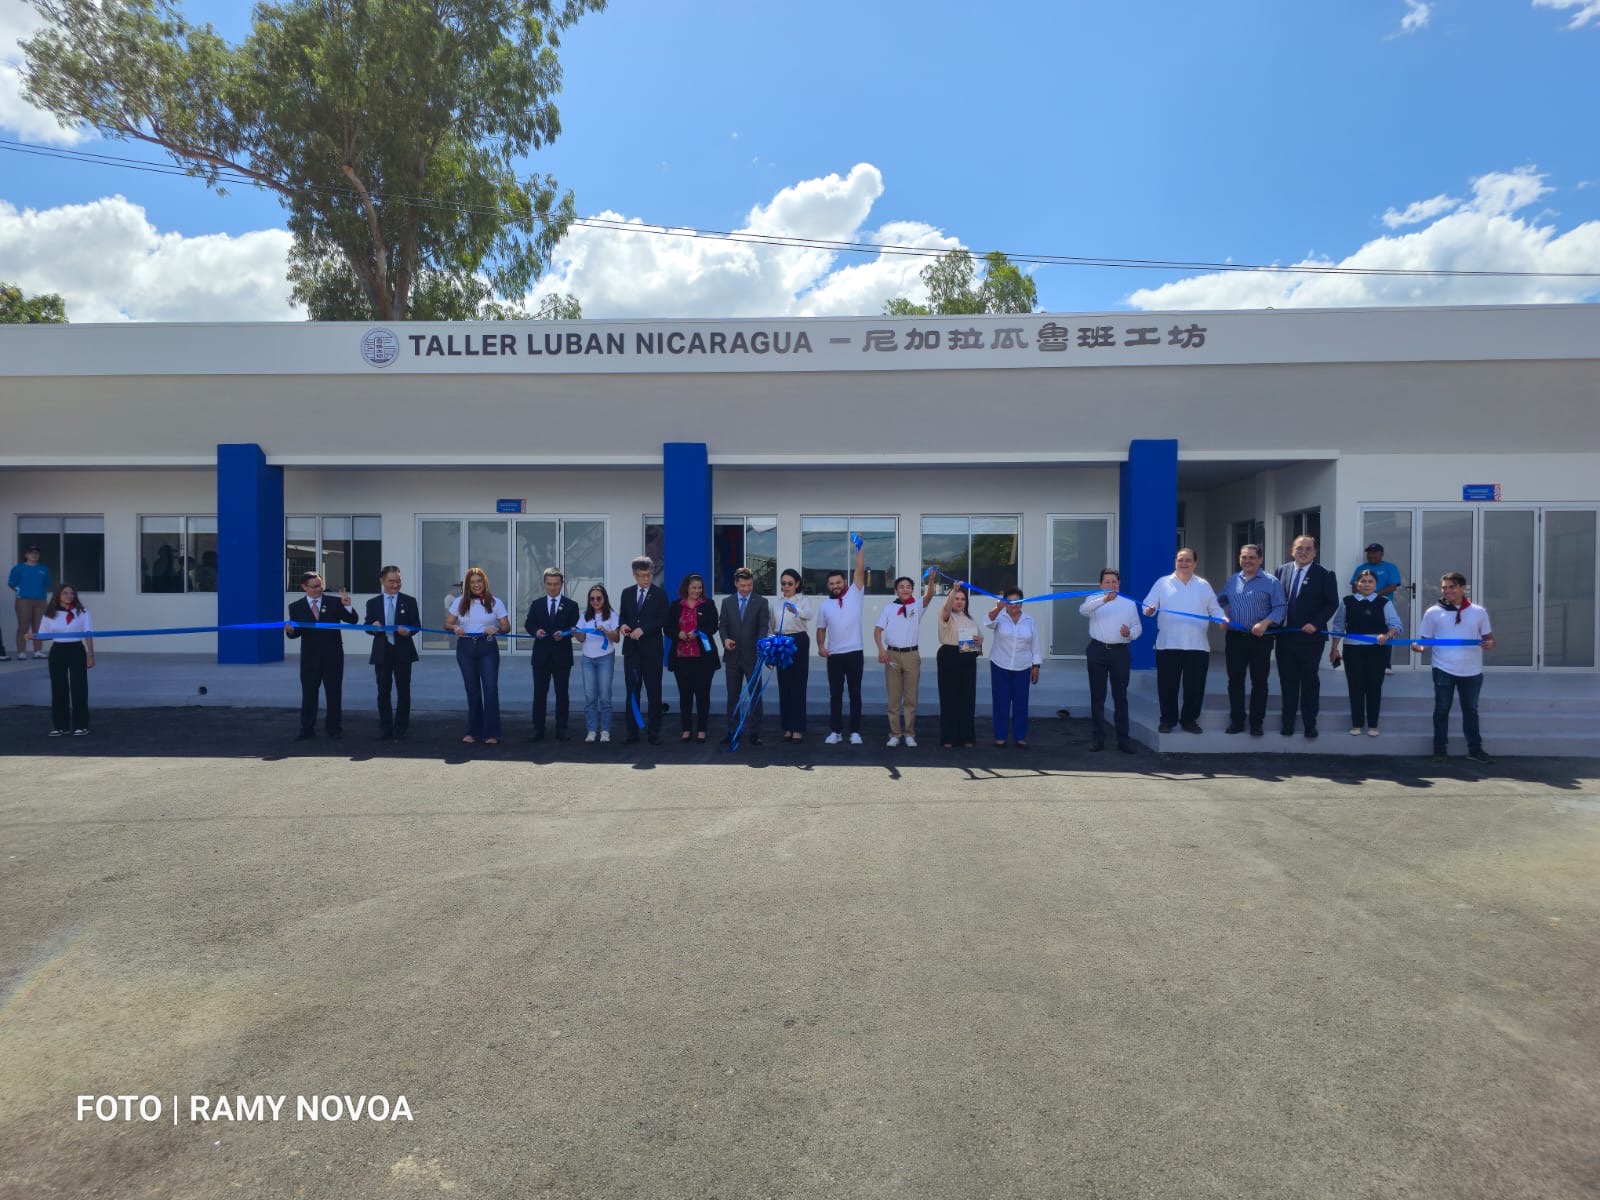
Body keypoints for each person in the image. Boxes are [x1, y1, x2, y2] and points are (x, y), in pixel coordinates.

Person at [1414, 572, 1496, 765]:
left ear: (1463, 588)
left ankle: (1475, 750)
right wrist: (1419, 647)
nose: (1447, 591)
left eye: (1451, 587)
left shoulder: (1478, 612)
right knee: (1441, 710)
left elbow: (1489, 638)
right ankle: (1439, 750)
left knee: (1471, 710)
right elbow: (1423, 640)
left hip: (1471, 671)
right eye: (1444, 587)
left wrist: (1490, 644)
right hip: (1443, 668)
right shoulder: (1433, 612)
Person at [1142, 548, 1225, 733]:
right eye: (1180, 559)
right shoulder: (1162, 583)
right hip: (1168, 644)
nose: (1184, 563)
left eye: (1188, 560)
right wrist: (1149, 609)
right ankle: (1168, 720)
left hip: (1197, 645)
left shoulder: (1203, 585)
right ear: (1175, 562)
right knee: (1167, 686)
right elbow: (1148, 605)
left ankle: (1189, 720)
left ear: (1195, 563)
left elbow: (1215, 608)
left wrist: (1222, 618)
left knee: (1195, 687)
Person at [1273, 535, 1340, 739]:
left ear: (1315, 552)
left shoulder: (1325, 574)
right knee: (1288, 681)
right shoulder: (1281, 571)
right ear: (1292, 550)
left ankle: (1310, 724)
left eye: (1308, 549)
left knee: (1309, 681)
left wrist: (1316, 623)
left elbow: (1332, 603)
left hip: (1310, 639)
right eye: (1299, 548)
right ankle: (1288, 723)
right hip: (1284, 638)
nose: (1303, 552)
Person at [1217, 543, 1286, 737]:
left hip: (1260, 639)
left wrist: (1265, 623)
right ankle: (1237, 721)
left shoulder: (1271, 582)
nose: (1247, 561)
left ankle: (1256, 723)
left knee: (1259, 681)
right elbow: (1218, 601)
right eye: (1244, 557)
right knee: (1235, 681)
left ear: (1260, 560)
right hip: (1235, 639)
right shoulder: (1232, 581)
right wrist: (1221, 617)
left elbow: (1280, 607)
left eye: (1252, 558)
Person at [1329, 567, 1404, 737]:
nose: (1367, 584)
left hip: (1377, 651)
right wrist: (1334, 649)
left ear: (1376, 584)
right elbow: (1338, 626)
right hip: (1352, 650)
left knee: (1374, 686)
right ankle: (1356, 724)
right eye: (1363, 581)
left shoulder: (1384, 602)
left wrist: (1387, 635)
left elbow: (1396, 625)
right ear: (1357, 584)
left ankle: (1373, 725)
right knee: (1355, 686)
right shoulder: (1347, 601)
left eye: (1371, 581)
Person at [285, 571, 357, 740]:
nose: (318, 589)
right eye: (314, 586)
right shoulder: (296, 607)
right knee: (309, 694)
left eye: (320, 585)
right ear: (304, 587)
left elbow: (352, 620)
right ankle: (307, 729)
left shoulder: (334, 602)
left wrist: (347, 605)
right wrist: (290, 631)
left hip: (333, 657)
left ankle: (334, 729)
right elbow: (296, 632)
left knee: (334, 694)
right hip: (310, 658)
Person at [445, 566, 510, 746]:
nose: (476, 585)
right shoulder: (459, 602)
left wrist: (497, 628)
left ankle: (492, 733)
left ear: (485, 582)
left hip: (487, 646)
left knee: (490, 689)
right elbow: (447, 623)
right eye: (472, 582)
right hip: (465, 647)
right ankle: (473, 731)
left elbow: (506, 626)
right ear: (467, 585)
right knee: (472, 690)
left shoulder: (495, 602)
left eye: (479, 581)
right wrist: (455, 627)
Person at [1079, 568, 1141, 753]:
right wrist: (1104, 599)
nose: (1111, 585)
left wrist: (1130, 633)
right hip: (1097, 650)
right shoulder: (1093, 599)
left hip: (1120, 652)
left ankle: (1123, 740)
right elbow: (1083, 610)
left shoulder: (1128, 603)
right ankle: (1098, 739)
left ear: (1119, 584)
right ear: (1101, 584)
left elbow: (1138, 627)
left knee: (1120, 697)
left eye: (1114, 582)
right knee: (1097, 697)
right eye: (1107, 582)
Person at [873, 572, 936, 747]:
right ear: (896, 590)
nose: (905, 589)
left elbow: (929, 594)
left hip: (911, 655)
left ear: (912, 590)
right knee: (893, 697)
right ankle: (894, 733)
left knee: (910, 697)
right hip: (892, 654)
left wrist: (931, 580)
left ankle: (909, 733)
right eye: (901, 587)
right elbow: (878, 630)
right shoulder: (888, 608)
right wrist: (880, 650)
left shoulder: (917, 605)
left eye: (908, 587)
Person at [814, 542, 868, 746]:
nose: (835, 586)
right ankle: (835, 731)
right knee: (835, 695)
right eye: (832, 584)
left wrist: (859, 546)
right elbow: (821, 628)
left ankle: (855, 731)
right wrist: (821, 646)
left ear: (845, 582)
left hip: (855, 652)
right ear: (828, 586)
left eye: (838, 582)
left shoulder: (856, 593)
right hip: (834, 655)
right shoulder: (825, 605)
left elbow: (860, 568)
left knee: (855, 694)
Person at [29, 582, 93, 736]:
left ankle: (81, 725)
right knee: (59, 688)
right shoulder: (50, 614)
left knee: (79, 688)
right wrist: (33, 636)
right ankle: (61, 726)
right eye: (65, 593)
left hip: (77, 650)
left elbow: (88, 634)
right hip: (58, 651)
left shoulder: (82, 612)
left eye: (71, 593)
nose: (69, 596)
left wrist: (91, 655)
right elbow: (45, 635)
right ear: (58, 596)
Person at [364, 565, 419, 742]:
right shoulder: (372, 603)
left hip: (403, 651)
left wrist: (408, 631)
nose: (395, 585)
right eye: (391, 581)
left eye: (398, 581)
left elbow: (416, 625)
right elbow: (367, 626)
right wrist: (374, 628)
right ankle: (385, 727)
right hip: (382, 652)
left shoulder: (409, 601)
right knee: (383, 691)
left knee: (404, 690)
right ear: (382, 581)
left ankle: (402, 727)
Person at [525, 566, 579, 742]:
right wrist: (536, 631)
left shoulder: (571, 605)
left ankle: (561, 729)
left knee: (562, 694)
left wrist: (563, 634)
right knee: (539, 694)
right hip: (541, 657)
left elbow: (574, 628)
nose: (552, 587)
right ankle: (538, 729)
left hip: (562, 656)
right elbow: (529, 624)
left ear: (562, 584)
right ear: (544, 584)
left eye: (556, 584)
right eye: (549, 584)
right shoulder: (537, 604)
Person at [619, 555, 668, 745]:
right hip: (632, 651)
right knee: (632, 692)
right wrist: (623, 625)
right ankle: (632, 733)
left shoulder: (660, 594)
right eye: (641, 576)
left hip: (652, 651)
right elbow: (623, 615)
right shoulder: (627, 593)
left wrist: (644, 629)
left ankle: (654, 733)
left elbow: (663, 619)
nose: (645, 579)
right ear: (634, 575)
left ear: (652, 573)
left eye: (647, 575)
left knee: (654, 692)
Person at [719, 566, 771, 745]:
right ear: (735, 584)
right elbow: (723, 626)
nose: (746, 589)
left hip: (753, 656)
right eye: (742, 585)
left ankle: (755, 733)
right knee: (732, 696)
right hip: (732, 656)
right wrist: (725, 640)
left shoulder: (761, 602)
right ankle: (732, 731)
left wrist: (761, 643)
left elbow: (763, 626)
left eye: (749, 585)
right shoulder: (727, 602)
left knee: (755, 695)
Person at [667, 573, 721, 741]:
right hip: (681, 657)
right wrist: (679, 634)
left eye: (700, 588)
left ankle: (702, 729)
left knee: (703, 695)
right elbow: (668, 628)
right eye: (694, 588)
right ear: (686, 588)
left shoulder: (708, 604)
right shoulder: (676, 605)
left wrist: (698, 632)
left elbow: (713, 626)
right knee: (685, 695)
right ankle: (686, 729)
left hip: (703, 658)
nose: (697, 591)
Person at [986, 587, 1042, 748]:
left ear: (1022, 603)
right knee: (1001, 702)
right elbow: (987, 622)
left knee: (1021, 703)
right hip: (1000, 665)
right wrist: (998, 607)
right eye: (1009, 601)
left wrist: (1036, 665)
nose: (1013, 605)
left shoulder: (1029, 620)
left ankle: (1020, 736)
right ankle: (1000, 736)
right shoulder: (1000, 616)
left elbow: (1035, 645)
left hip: (1022, 667)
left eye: (1016, 601)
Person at [936, 584, 983, 748]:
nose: (959, 601)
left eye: (963, 599)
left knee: (967, 699)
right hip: (949, 655)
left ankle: (967, 737)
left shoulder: (970, 619)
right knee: (949, 697)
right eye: (956, 598)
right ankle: (948, 737)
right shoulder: (946, 615)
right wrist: (954, 590)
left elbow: (978, 646)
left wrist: (979, 644)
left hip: (968, 657)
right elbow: (946, 607)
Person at [574, 584, 621, 743]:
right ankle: (592, 730)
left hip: (605, 658)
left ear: (604, 599)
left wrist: (605, 631)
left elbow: (616, 638)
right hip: (587, 658)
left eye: (598, 598)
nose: (595, 601)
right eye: (592, 598)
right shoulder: (584, 616)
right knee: (590, 696)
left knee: (605, 696)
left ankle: (605, 730)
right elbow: (581, 639)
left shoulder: (612, 615)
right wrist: (575, 632)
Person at [772, 569, 813, 742]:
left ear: (797, 584)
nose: (786, 586)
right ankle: (787, 727)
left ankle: (798, 728)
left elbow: (809, 616)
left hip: (798, 640)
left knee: (798, 684)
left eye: (790, 583)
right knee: (784, 684)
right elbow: (770, 625)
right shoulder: (775, 602)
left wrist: (796, 609)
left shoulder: (803, 600)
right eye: (783, 583)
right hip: (781, 641)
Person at [1354, 543, 1403, 674]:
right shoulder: (1361, 568)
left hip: (1383, 606)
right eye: (1369, 552)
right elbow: (1354, 586)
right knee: (1365, 632)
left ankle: (1386, 664)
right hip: (1363, 606)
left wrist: (1374, 596)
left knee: (1386, 633)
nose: (1371, 555)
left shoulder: (1389, 567)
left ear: (1381, 554)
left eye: (1374, 552)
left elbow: (1393, 586)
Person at [9, 543, 53, 661]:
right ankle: (21, 652)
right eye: (31, 553)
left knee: (39, 627)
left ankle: (37, 651)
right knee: (23, 626)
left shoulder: (44, 569)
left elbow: (48, 584)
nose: (34, 555)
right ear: (26, 555)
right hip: (23, 600)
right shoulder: (18, 568)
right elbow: (11, 583)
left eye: (36, 553)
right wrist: (20, 591)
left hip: (40, 600)